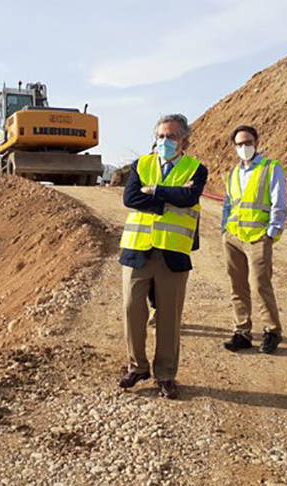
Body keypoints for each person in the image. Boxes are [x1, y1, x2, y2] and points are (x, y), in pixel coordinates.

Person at [118, 114, 208, 399]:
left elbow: (188, 198)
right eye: (160, 136)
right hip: (138, 250)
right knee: (133, 310)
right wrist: (170, 197)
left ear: (183, 140)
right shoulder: (141, 164)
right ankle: (137, 366)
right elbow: (131, 198)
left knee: (169, 318)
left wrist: (155, 191)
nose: (164, 142)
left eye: (170, 137)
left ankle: (166, 374)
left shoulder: (197, 168)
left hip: (172, 254)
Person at [220, 125, 287, 354]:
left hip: (259, 236)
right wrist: (224, 230)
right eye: (239, 144)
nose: (244, 147)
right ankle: (242, 331)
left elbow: (279, 202)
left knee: (260, 285)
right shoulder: (233, 173)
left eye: (248, 142)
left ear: (256, 142)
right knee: (237, 286)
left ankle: (272, 331)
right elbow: (229, 204)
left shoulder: (271, 168)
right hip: (234, 236)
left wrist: (272, 232)